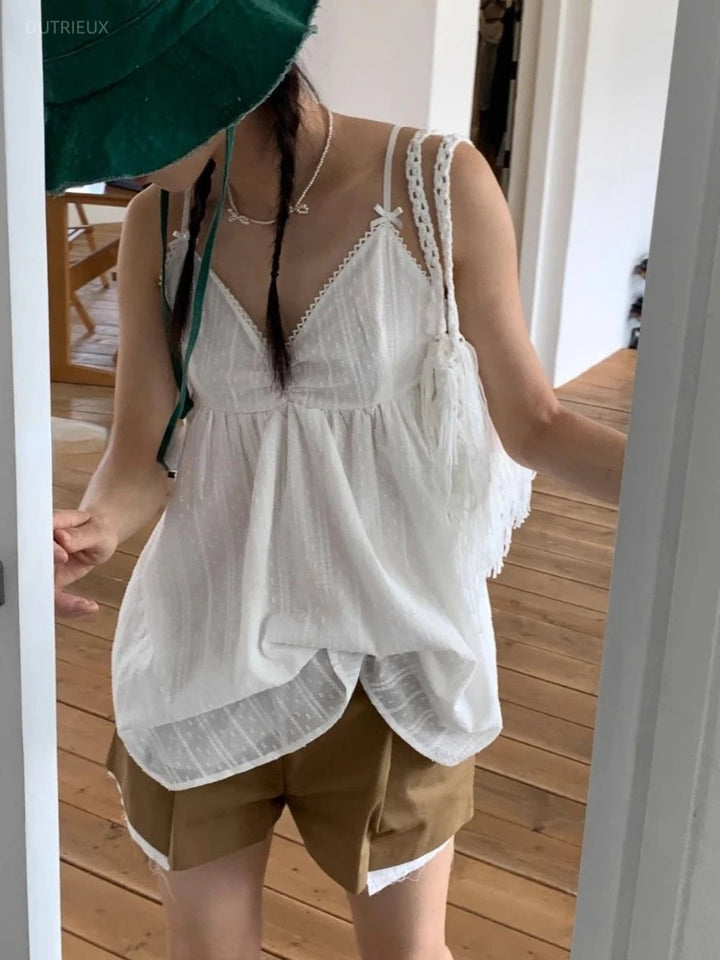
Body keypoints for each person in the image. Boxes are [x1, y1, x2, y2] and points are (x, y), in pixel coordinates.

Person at [49, 5, 626, 960]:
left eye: (129, 120)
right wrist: (94, 528)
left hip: (392, 656)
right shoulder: (159, 220)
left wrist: (686, 496)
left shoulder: (438, 183)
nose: (119, 157)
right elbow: (144, 448)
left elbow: (535, 422)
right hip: (203, 644)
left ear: (216, 70)